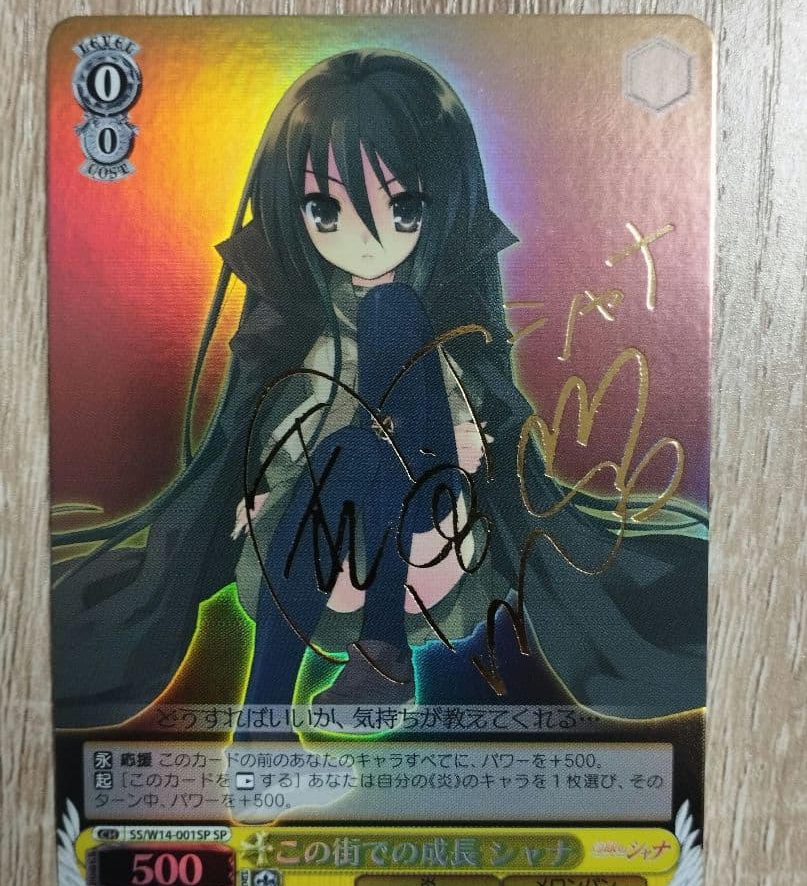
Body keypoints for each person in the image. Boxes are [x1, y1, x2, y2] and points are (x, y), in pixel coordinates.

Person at [52, 49, 707, 728]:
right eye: (324, 209)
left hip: (428, 511)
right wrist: (262, 479)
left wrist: (465, 445)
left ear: (440, 203)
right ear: (293, 209)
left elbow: (473, 404)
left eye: (402, 208)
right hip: (323, 535)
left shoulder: (428, 313)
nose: (366, 241)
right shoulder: (305, 322)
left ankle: (266, 717)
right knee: (353, 446)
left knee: (389, 325)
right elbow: (276, 408)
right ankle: (374, 658)